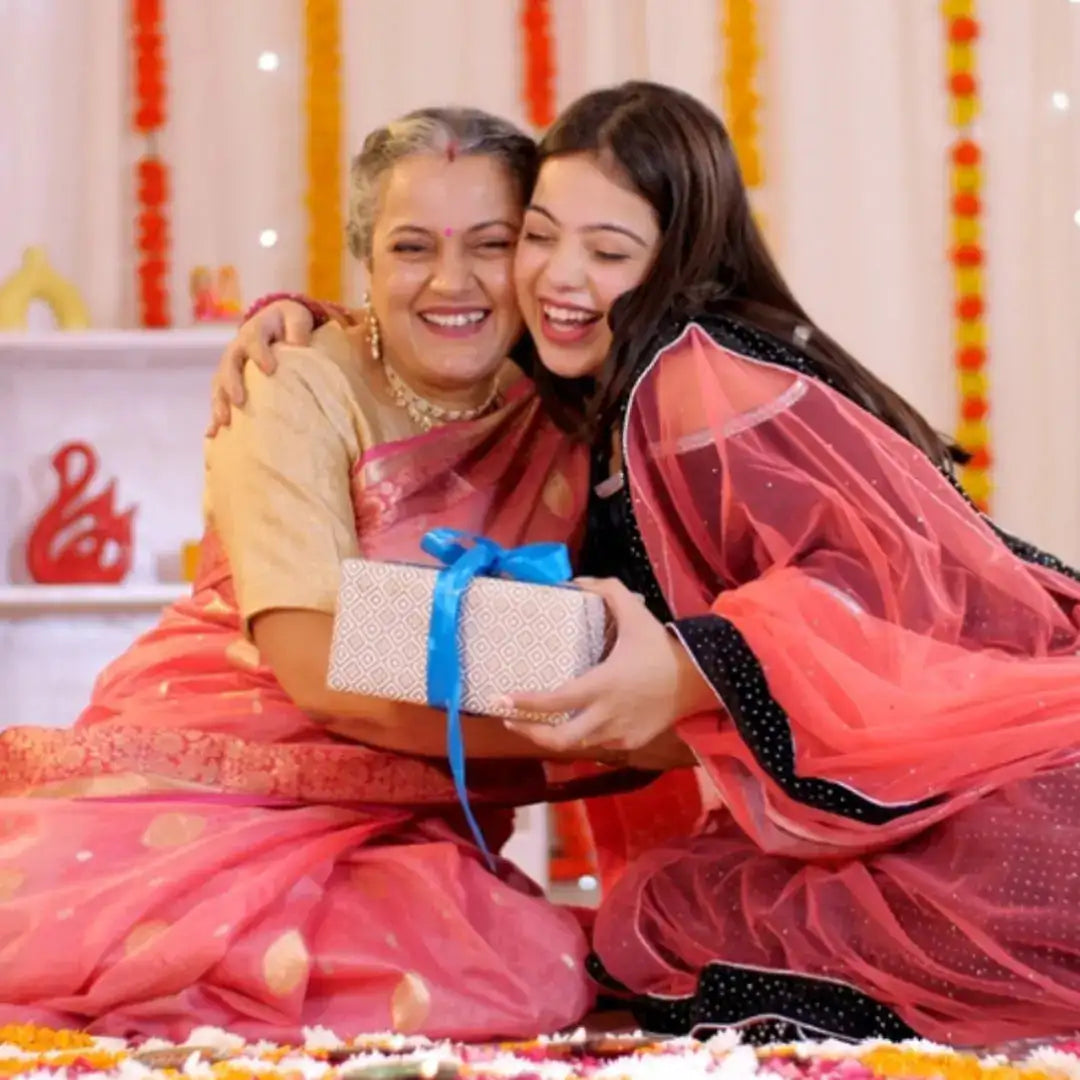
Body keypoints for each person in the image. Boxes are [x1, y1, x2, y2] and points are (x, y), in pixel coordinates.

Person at [217, 82, 1080, 1047]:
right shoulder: (587, 384)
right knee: (644, 925)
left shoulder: (687, 377)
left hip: (1000, 780)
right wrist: (307, 323)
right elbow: (433, 328)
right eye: (539, 237)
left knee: (655, 932)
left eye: (608, 252)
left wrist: (677, 677)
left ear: (676, 263)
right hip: (281, 757)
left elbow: (879, 592)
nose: (558, 278)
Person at [0, 106, 677, 1042]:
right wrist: (620, 728)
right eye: (411, 248)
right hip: (226, 775)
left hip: (412, 806)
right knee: (491, 978)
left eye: (491, 244)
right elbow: (320, 664)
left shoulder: (564, 403)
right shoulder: (290, 384)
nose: (453, 282)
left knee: (534, 969)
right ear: (365, 262)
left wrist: (659, 696)